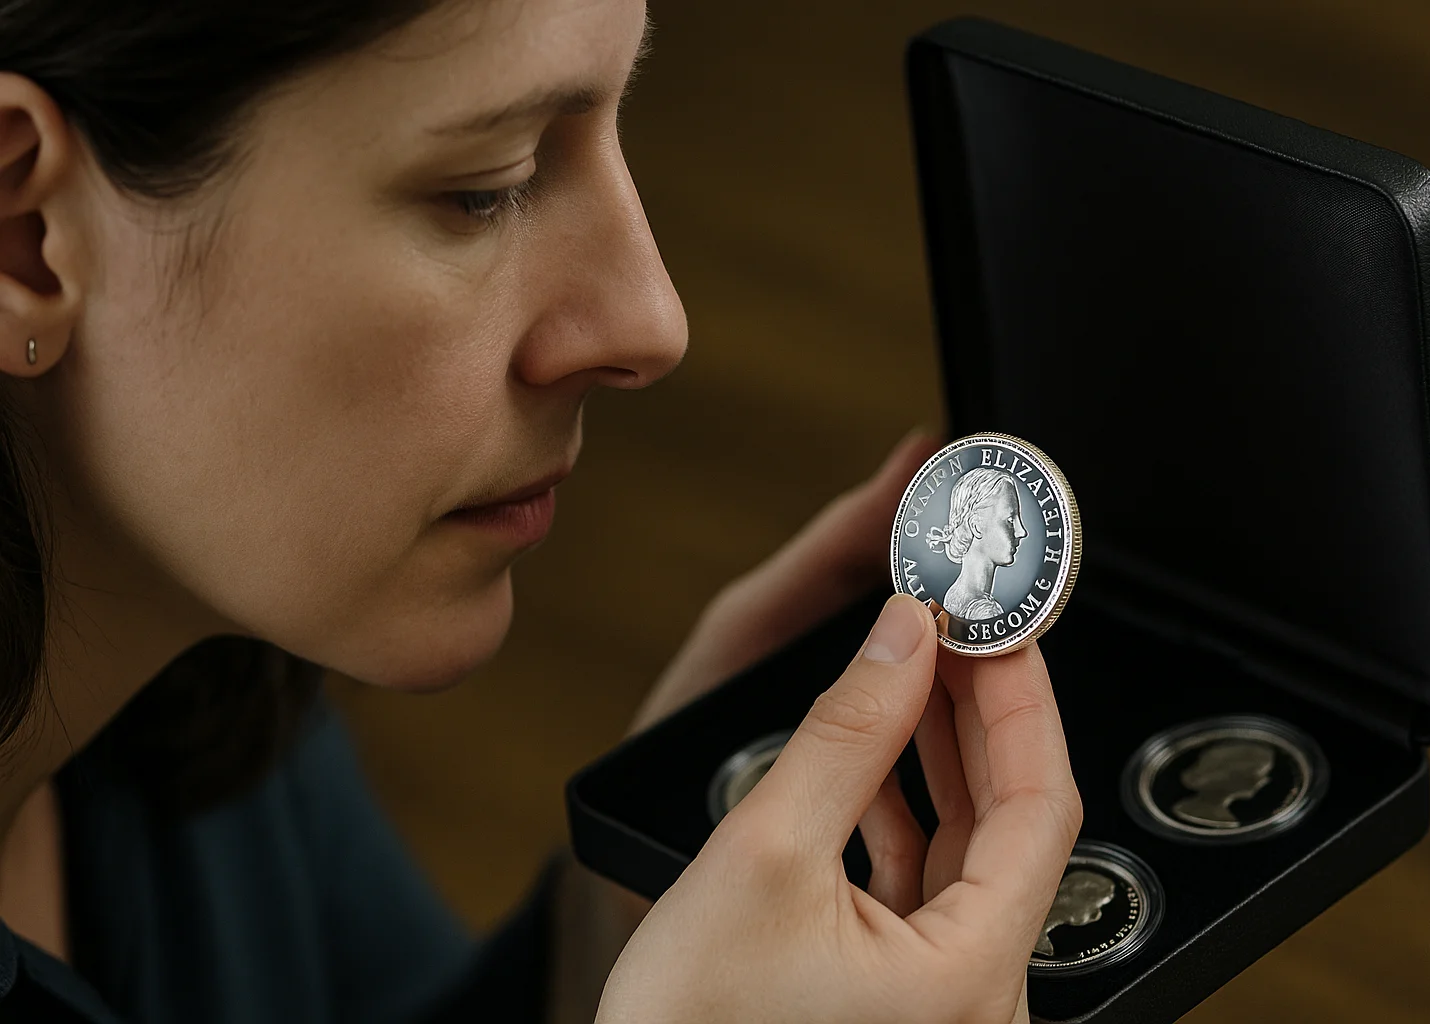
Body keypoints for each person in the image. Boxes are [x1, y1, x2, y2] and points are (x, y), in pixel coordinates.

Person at [0, 1, 1083, 1021]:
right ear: (25, 234)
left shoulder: (209, 663)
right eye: (487, 184)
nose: (653, 322)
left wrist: (618, 927)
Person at [926, 466, 1030, 620]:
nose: (1022, 531)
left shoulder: (954, 593)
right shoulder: (985, 612)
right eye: (1010, 520)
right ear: (976, 526)